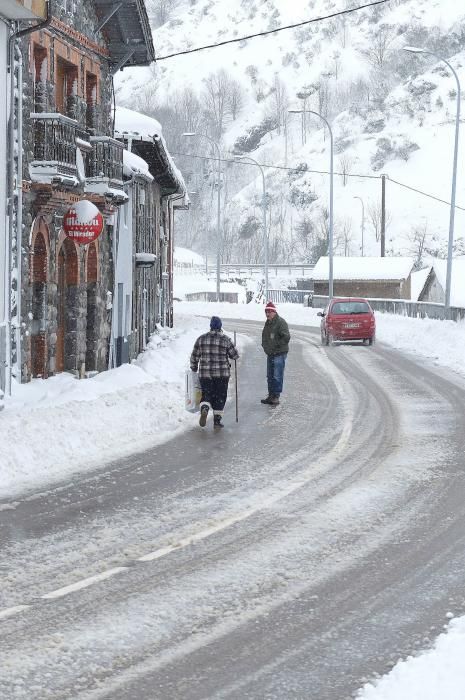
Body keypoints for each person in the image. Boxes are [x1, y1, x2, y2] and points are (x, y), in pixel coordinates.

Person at [190, 316, 239, 428]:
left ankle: (205, 408)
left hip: (205, 374)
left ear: (211, 326)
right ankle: (217, 421)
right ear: (220, 326)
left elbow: (194, 356)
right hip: (222, 375)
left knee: (207, 394)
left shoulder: (201, 339)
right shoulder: (225, 339)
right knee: (220, 396)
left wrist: (194, 367)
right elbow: (235, 355)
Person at [261, 301, 290, 406]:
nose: (267, 314)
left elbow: (286, 337)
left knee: (277, 375)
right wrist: (265, 347)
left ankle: (276, 397)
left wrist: (276, 346)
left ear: (274, 312)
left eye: (269, 312)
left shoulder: (281, 322)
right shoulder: (267, 323)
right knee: (270, 375)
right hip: (270, 353)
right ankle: (271, 395)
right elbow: (264, 337)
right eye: (266, 312)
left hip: (279, 353)